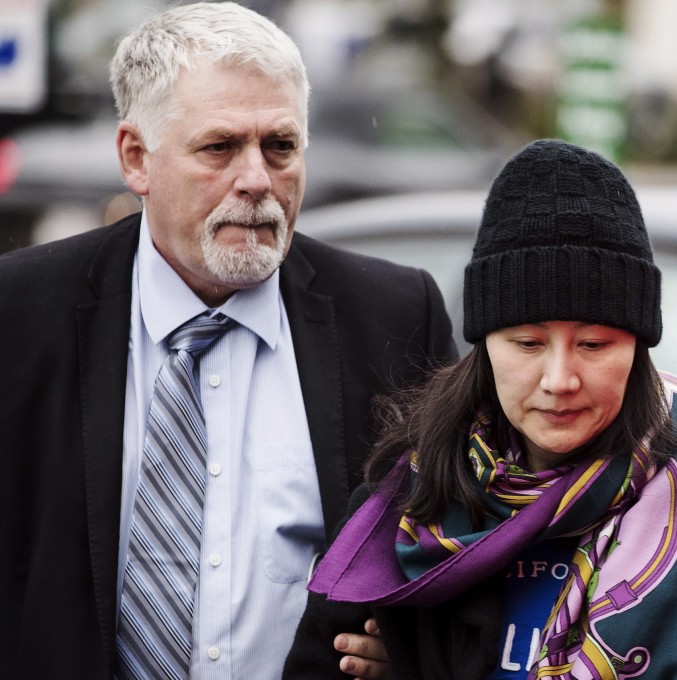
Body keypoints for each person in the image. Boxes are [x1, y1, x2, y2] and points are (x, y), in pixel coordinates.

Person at [0, 3, 455, 679]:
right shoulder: (20, 311)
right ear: (136, 158)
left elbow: (451, 548)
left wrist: (415, 646)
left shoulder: (393, 315)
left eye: (281, 147)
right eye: (220, 148)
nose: (256, 180)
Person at [284, 139, 677, 679]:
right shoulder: (410, 503)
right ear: (485, 347)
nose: (560, 380)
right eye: (527, 344)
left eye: (595, 345)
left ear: (638, 348)